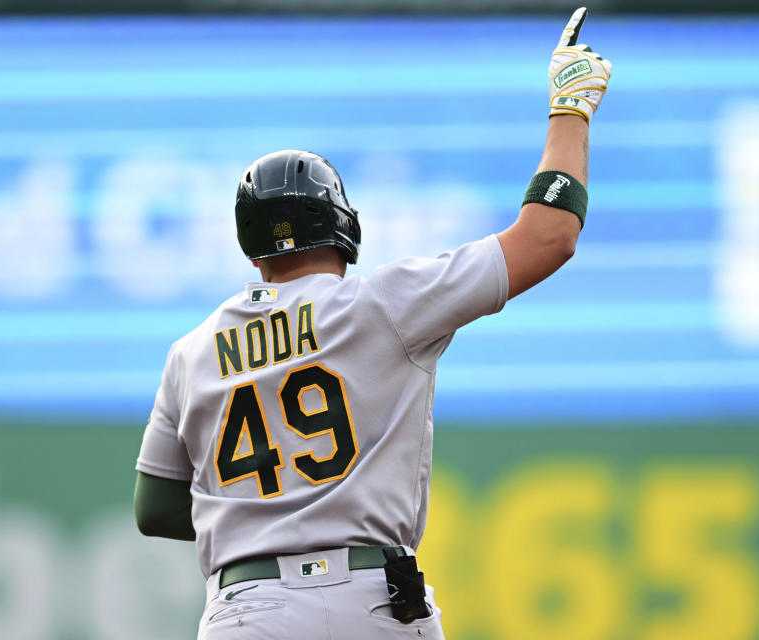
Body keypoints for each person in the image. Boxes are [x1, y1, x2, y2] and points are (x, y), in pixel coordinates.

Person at [133, 7, 611, 639]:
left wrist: (265, 511)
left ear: (251, 250)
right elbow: (550, 236)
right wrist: (569, 109)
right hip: (375, 601)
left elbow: (156, 507)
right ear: (344, 227)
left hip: (248, 610)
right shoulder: (383, 303)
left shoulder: (191, 352)